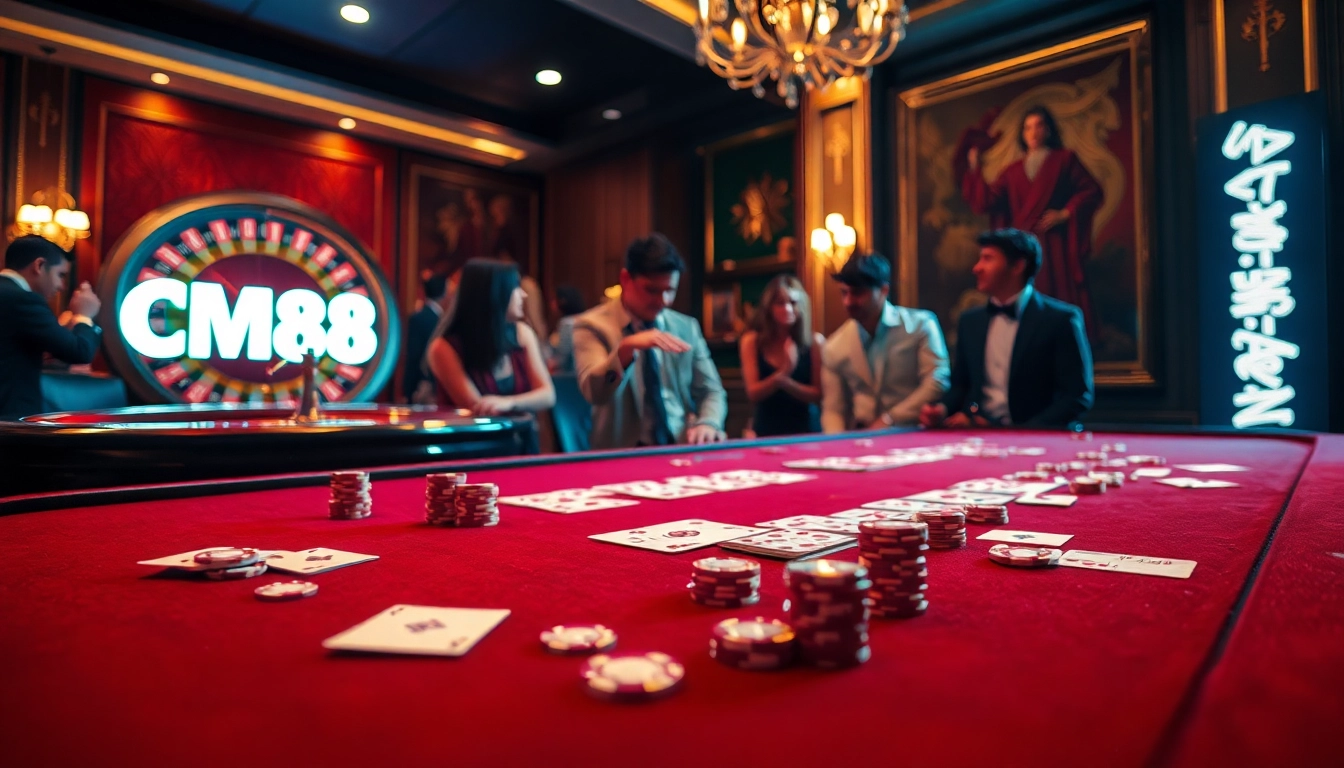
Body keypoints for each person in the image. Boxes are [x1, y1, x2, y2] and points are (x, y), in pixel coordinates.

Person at [920, 228, 1093, 429]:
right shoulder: (970, 321)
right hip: (979, 436)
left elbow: (1077, 397)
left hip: (1042, 438)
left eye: (988, 259)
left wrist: (1020, 433)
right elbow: (962, 385)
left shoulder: (1061, 319)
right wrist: (942, 409)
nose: (977, 268)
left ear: (1018, 265)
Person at [573, 233, 727, 449]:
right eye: (652, 290)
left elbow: (712, 391)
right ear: (626, 279)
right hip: (620, 454)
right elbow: (595, 392)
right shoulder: (591, 326)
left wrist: (708, 423)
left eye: (670, 291)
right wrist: (626, 348)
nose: (663, 301)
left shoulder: (686, 327)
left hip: (679, 446)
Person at [962, 105, 1103, 338]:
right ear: (1022, 133)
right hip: (1022, 249)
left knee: (1057, 305)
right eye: (1028, 128)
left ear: (1048, 130)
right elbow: (987, 202)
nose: (1033, 132)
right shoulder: (1013, 171)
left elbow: (1091, 190)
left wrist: (1066, 213)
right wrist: (975, 168)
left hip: (1054, 243)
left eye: (1039, 126)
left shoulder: (1064, 160)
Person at [427, 259, 555, 452]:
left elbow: (548, 395)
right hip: (471, 449)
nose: (523, 294)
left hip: (522, 445)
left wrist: (509, 402)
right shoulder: (444, 348)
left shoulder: (522, 333)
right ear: (495, 294)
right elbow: (479, 407)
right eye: (516, 287)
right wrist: (518, 403)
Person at [821, 253, 949, 432]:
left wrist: (891, 419)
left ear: (884, 290)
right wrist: (835, 445)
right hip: (861, 438)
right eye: (844, 293)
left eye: (858, 293)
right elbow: (834, 409)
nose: (848, 301)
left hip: (913, 431)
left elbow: (937, 380)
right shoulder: (834, 346)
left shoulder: (920, 325)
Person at [0, 236, 102, 420]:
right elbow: (80, 352)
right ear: (39, 266)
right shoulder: (24, 300)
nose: (61, 286)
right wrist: (84, 316)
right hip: (10, 423)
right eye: (60, 275)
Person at [740, 275, 823, 436]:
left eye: (793, 303)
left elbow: (818, 394)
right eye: (780, 303)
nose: (787, 309)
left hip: (806, 429)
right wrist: (784, 372)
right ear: (769, 307)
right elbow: (753, 393)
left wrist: (785, 382)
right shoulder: (751, 341)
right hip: (766, 429)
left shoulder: (815, 342)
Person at [401, 273, 449, 404]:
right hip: (428, 388)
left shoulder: (418, 317)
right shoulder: (443, 320)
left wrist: (407, 391)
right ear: (444, 294)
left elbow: (412, 356)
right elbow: (415, 356)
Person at [547, 284, 586, 376]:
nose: (551, 304)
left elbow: (563, 357)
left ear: (562, 301)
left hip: (568, 375)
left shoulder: (566, 324)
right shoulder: (584, 319)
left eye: (554, 299)